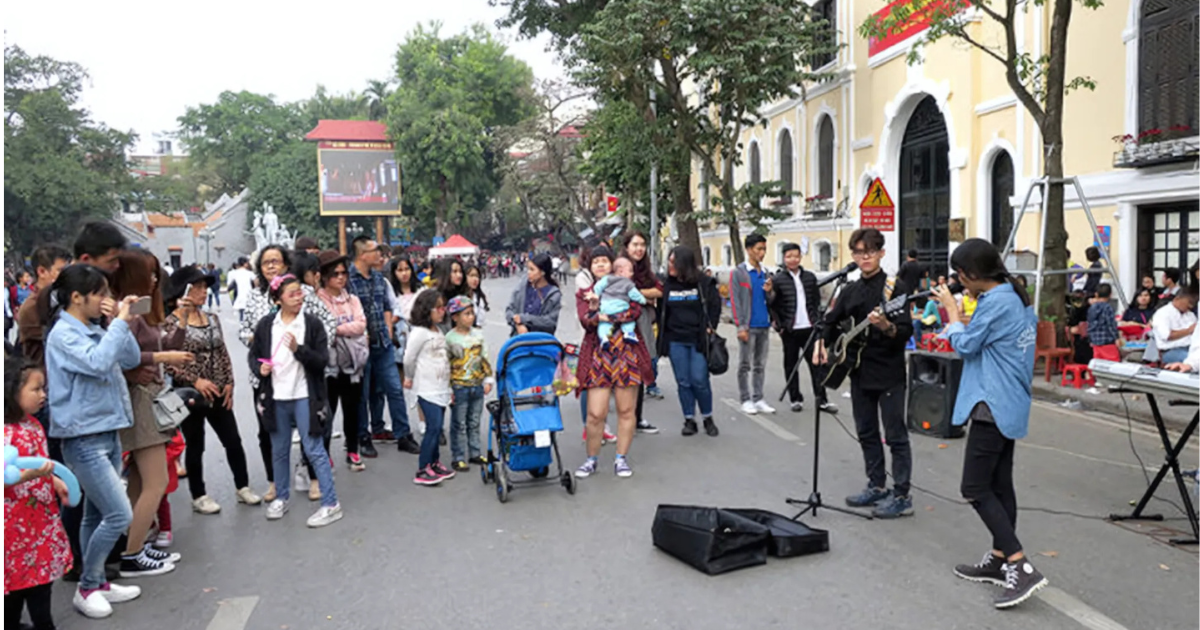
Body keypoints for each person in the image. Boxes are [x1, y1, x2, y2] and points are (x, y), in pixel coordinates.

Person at [934, 238, 1048, 609]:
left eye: (959, 276)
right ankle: (1000, 559)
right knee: (999, 484)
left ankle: (1019, 564)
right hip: (1008, 401)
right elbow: (984, 338)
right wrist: (960, 318)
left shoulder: (997, 301)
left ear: (969, 274)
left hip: (992, 403)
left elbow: (966, 346)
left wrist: (951, 313)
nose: (958, 282)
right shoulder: (1008, 296)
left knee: (975, 487)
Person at [44, 265, 144, 618]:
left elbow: (129, 358)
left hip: (108, 429)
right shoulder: (63, 335)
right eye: (100, 293)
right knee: (119, 514)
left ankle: (98, 580)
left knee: (95, 514)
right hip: (82, 436)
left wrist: (115, 324)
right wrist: (116, 324)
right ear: (76, 297)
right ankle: (86, 587)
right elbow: (99, 364)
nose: (106, 300)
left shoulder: (95, 328)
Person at [815, 228, 915, 519]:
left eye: (870, 251)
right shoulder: (850, 290)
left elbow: (906, 331)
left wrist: (885, 326)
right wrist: (821, 342)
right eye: (859, 252)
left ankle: (902, 495)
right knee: (866, 431)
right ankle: (876, 485)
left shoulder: (895, 289)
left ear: (882, 253)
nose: (864, 257)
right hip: (858, 371)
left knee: (895, 435)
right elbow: (830, 323)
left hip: (890, 372)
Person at [109, 250, 190, 577]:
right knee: (155, 482)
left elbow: (164, 344)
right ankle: (132, 553)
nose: (156, 279)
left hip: (150, 396)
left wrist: (180, 324)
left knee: (141, 482)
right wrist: (160, 357)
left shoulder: (143, 307)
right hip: (140, 400)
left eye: (157, 273)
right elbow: (121, 355)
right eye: (150, 273)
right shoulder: (124, 311)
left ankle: (136, 544)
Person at [164, 267, 260, 514]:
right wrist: (196, 381)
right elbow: (169, 362)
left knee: (233, 441)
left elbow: (223, 352)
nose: (204, 292)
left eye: (205, 287)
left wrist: (229, 382)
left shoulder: (212, 318)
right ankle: (199, 495)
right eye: (197, 287)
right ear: (184, 290)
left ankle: (243, 486)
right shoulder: (171, 322)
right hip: (191, 396)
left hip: (218, 391)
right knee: (196, 445)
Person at [250, 274, 342, 527]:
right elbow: (254, 355)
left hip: (305, 395)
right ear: (278, 299)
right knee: (278, 450)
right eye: (292, 294)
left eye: (300, 293)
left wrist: (298, 350)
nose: (299, 298)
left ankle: (331, 503)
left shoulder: (311, 325)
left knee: (314, 448)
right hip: (276, 396)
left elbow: (322, 361)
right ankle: (281, 497)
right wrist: (261, 369)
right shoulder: (267, 325)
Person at [574, 245, 655, 479]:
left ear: (612, 264)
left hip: (627, 353)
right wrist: (603, 314)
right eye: (595, 261)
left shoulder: (626, 285)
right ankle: (591, 459)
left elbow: (635, 311)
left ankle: (621, 459)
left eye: (604, 261)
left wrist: (604, 315)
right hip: (599, 354)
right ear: (590, 266)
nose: (600, 265)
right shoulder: (586, 292)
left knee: (626, 410)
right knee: (595, 413)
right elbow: (585, 319)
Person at [5, 357, 72, 630]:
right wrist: (31, 475)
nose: (43, 395)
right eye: (36, 389)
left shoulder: (34, 426)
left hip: (40, 525)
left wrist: (53, 479)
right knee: (14, 593)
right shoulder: (5, 433)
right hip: (12, 533)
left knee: (41, 586)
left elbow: (42, 463)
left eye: (43, 388)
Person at [347, 237, 418, 457]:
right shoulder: (348, 280)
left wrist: (388, 327)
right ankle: (363, 436)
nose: (380, 255)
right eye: (375, 250)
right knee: (363, 394)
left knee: (394, 389)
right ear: (362, 255)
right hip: (360, 346)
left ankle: (403, 434)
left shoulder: (379, 278)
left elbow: (387, 305)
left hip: (383, 344)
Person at [239, 246, 293, 501]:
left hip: (295, 373)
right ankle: (273, 481)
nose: (271, 266)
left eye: (276, 261)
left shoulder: (298, 292)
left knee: (303, 425)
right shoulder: (253, 297)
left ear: (285, 265)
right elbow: (243, 330)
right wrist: (257, 340)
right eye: (266, 263)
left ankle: (310, 474)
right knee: (266, 430)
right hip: (264, 375)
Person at [657, 246, 722, 436]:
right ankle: (689, 419)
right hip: (675, 339)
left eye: (673, 262)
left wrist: (711, 327)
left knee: (699, 379)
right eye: (669, 261)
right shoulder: (666, 284)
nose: (669, 266)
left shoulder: (703, 282)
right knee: (683, 381)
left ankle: (707, 417)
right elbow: (661, 309)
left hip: (698, 339)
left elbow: (714, 306)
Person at [316, 250, 369, 473]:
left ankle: (353, 450)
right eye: (335, 273)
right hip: (328, 365)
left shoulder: (353, 299)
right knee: (327, 413)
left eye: (344, 273)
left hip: (353, 364)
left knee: (353, 409)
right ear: (325, 275)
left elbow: (361, 324)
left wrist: (337, 329)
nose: (340, 277)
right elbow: (323, 328)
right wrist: (344, 330)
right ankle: (324, 454)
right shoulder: (317, 300)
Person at [767, 242, 832, 414]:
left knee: (816, 364)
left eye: (796, 256)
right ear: (784, 258)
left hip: (809, 327)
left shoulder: (810, 277)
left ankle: (822, 399)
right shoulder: (778, 279)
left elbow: (816, 302)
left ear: (800, 257)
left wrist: (818, 322)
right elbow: (773, 305)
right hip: (789, 329)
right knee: (791, 364)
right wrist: (778, 325)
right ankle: (795, 398)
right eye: (789, 256)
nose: (793, 259)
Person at [403, 290, 456, 485]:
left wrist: (449, 388)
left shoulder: (438, 331)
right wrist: (408, 377)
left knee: (437, 426)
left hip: (441, 386)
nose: (443, 311)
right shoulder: (419, 333)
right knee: (433, 427)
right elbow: (409, 358)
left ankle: (434, 463)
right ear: (427, 310)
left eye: (444, 307)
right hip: (426, 388)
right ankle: (423, 467)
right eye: (439, 308)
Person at [445, 296, 494, 471]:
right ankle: (458, 456)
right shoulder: (449, 339)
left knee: (474, 421)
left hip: (477, 385)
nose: (470, 317)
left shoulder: (478, 336)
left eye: (472, 313)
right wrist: (448, 388)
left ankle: (474, 452)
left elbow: (484, 358)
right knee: (459, 423)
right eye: (466, 314)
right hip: (459, 386)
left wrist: (488, 379)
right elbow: (446, 365)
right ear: (455, 317)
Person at [730, 234, 776, 415]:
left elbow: (770, 300)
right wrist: (741, 326)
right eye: (759, 249)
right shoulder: (739, 272)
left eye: (764, 249)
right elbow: (735, 301)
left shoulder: (765, 273)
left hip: (763, 323)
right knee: (744, 364)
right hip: (748, 325)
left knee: (760, 364)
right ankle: (745, 398)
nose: (762, 253)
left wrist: (770, 291)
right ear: (749, 250)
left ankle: (758, 397)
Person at [622, 232, 666, 420]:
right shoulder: (620, 267)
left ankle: (636, 418)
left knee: (640, 369)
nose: (639, 249)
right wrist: (645, 297)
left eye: (642, 244)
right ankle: (628, 417)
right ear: (626, 247)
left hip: (644, 324)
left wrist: (638, 292)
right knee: (626, 372)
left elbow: (660, 290)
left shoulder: (645, 270)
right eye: (635, 244)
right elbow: (621, 292)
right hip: (624, 325)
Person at [17, 245, 72, 367]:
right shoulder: (32, 306)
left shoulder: (59, 298)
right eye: (61, 271)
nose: (68, 277)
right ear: (42, 272)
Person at [592, 257, 648, 348]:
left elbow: (598, 287)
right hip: (621, 307)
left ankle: (603, 337)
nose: (632, 273)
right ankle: (628, 333)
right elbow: (635, 295)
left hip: (606, 306)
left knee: (604, 324)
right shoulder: (628, 283)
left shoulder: (607, 279)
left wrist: (596, 295)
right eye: (630, 271)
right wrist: (643, 300)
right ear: (621, 271)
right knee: (629, 322)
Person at [505, 253, 562, 336]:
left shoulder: (553, 294)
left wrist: (525, 319)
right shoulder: (522, 287)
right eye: (528, 269)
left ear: (542, 272)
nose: (528, 272)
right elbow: (509, 310)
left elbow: (550, 322)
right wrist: (518, 325)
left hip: (541, 341)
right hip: (518, 340)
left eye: (532, 269)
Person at [1151, 288, 1199, 365]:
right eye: (1189, 302)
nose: (1190, 306)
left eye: (1193, 303)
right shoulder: (1163, 313)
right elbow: (1167, 335)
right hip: (1171, 350)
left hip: (1192, 347)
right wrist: (1188, 331)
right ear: (1177, 299)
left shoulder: (1191, 315)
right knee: (1192, 361)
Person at [1086, 284, 1120, 362]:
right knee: (1113, 363)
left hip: (1095, 341)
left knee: (1098, 364)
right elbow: (1111, 324)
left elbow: (1090, 324)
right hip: (1107, 341)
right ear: (1110, 294)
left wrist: (1090, 339)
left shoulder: (1092, 308)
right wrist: (1116, 338)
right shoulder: (1108, 308)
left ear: (1096, 294)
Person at [226, 257, 255, 322]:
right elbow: (256, 282)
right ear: (245, 264)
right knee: (248, 313)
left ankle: (242, 324)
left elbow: (231, 283)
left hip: (239, 294)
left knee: (241, 312)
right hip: (249, 295)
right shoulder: (249, 273)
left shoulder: (235, 273)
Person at [463, 263, 489, 328]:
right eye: (471, 275)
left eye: (477, 276)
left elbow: (479, 324)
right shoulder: (459, 297)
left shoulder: (478, 297)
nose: (475, 279)